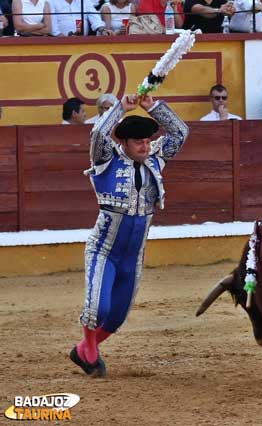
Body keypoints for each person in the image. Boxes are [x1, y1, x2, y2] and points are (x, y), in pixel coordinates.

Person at [70, 93, 189, 377]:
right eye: (138, 142)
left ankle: (84, 350)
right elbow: (99, 132)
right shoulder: (106, 158)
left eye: (148, 141)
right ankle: (88, 349)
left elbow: (180, 132)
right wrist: (121, 108)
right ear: (124, 142)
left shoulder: (156, 157)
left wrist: (154, 108)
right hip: (104, 249)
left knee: (117, 316)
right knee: (98, 308)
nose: (145, 146)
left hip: (133, 255)